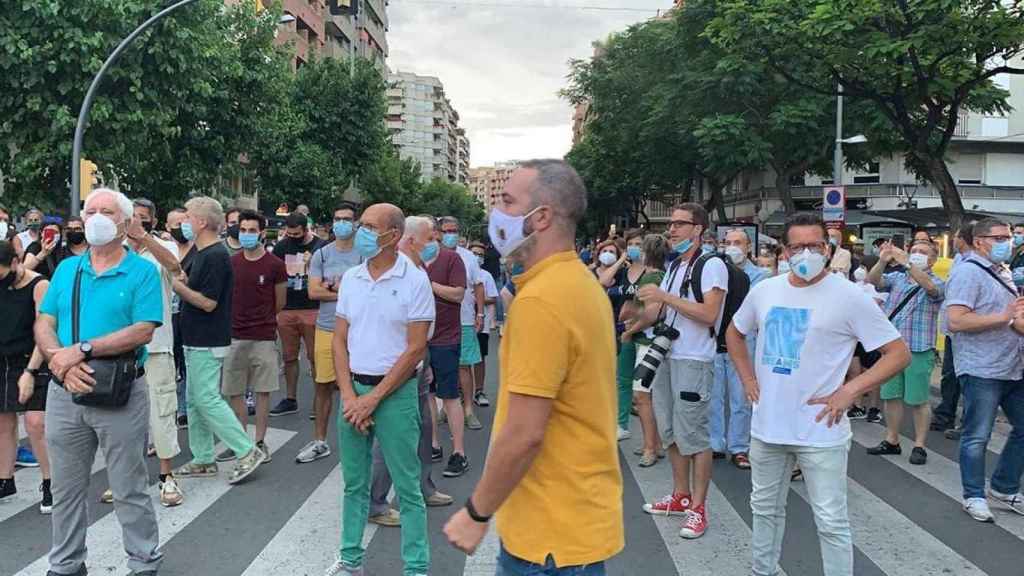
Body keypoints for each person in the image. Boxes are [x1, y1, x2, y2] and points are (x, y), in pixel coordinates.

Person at [443, 159, 624, 575]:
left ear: (540, 217)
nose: (496, 213)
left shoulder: (543, 300)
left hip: (548, 536)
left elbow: (525, 433)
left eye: (507, 202)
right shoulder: (578, 284)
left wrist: (476, 512)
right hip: (571, 524)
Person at [726, 212, 910, 576]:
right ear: (784, 250)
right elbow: (734, 332)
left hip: (820, 430)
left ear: (827, 249)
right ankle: (762, 570)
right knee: (763, 508)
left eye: (814, 245)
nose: (805, 253)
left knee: (830, 520)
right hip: (768, 425)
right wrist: (747, 378)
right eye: (797, 246)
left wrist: (850, 390)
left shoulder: (848, 295)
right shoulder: (765, 290)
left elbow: (898, 353)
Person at [36, 188, 165, 576]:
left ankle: (143, 562)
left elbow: (144, 330)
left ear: (125, 224)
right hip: (65, 390)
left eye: (105, 211)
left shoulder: (142, 270)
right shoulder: (66, 269)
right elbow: (45, 323)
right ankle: (66, 564)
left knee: (129, 486)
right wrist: (61, 360)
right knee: (66, 489)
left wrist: (83, 350)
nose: (94, 218)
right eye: (89, 211)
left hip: (120, 390)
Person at [326, 203, 434, 576]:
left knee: (407, 488)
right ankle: (350, 559)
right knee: (354, 485)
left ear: (392, 235)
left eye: (370, 226)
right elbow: (339, 339)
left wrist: (373, 399)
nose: (361, 231)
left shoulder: (414, 280)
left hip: (395, 395)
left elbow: (416, 348)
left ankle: (416, 568)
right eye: (361, 225)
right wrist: (350, 395)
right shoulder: (353, 278)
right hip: (354, 391)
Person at [631, 203, 727, 539]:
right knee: (670, 430)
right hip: (668, 357)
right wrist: (628, 323)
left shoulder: (711, 265)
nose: (671, 230)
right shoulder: (675, 266)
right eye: (670, 224)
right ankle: (679, 494)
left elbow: (709, 314)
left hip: (694, 360)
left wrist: (664, 298)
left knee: (695, 436)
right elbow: (660, 312)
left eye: (679, 224)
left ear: (698, 228)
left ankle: (698, 508)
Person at [172, 196, 266, 485]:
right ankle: (202, 458)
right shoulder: (202, 253)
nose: (182, 223)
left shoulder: (214, 255)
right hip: (194, 337)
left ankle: (246, 450)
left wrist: (176, 286)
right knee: (195, 399)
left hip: (207, 338)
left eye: (186, 217)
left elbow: (208, 303)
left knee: (207, 398)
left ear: (201, 222)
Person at [368, 215, 454, 528]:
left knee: (424, 428)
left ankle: (422, 486)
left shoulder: (417, 268)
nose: (436, 243)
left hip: (420, 357)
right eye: (431, 238)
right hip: (402, 359)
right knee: (393, 434)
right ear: (410, 239)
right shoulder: (397, 271)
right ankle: (375, 502)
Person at [944, 217, 1024, 523]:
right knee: (977, 435)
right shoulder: (967, 273)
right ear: (980, 242)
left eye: (1010, 237)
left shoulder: (1001, 270)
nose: (1009, 242)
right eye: (1001, 237)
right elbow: (957, 321)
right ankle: (974, 495)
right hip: (981, 367)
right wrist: (1004, 317)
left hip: (1012, 365)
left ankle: (1003, 487)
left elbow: (1010, 318)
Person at [111, 198, 185, 507]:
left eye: (141, 219)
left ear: (150, 222)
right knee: (122, 419)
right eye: (130, 218)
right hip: (119, 349)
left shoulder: (162, 249)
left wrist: (144, 239)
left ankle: (167, 477)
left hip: (156, 347)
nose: (134, 224)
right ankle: (126, 479)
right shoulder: (113, 254)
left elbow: (176, 267)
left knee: (162, 414)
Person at [865, 240, 945, 465]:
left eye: (923, 252)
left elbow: (931, 288)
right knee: (891, 396)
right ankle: (892, 439)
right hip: (891, 347)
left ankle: (919, 445)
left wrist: (908, 263)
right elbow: (873, 280)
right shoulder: (898, 278)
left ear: (933, 260)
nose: (917, 254)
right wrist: (882, 260)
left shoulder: (937, 281)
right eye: (914, 251)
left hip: (919, 348)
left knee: (918, 399)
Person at [221, 210, 287, 463]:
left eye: (251, 230)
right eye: (243, 229)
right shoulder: (232, 262)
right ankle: (241, 441)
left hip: (263, 336)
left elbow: (279, 302)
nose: (246, 234)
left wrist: (265, 319)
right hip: (234, 336)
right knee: (234, 392)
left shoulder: (275, 265)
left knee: (262, 391)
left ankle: (259, 441)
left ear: (261, 232)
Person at [298, 203, 361, 464]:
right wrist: (345, 289)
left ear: (355, 224)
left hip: (358, 331)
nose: (341, 223)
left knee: (359, 386)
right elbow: (313, 292)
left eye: (347, 219)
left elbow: (366, 294)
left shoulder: (364, 255)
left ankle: (360, 440)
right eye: (337, 219)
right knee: (322, 385)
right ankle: (320, 440)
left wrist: (332, 288)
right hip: (326, 328)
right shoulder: (322, 255)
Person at [0, 240, 52, 513]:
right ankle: (5, 479)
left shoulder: (39, 285)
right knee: (3, 423)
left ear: (16, 262)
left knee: (35, 423)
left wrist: (31, 371)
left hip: (33, 358)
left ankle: (50, 482)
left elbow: (44, 332)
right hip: (4, 359)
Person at [713, 228, 768, 469]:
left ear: (748, 247)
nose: (732, 246)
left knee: (741, 397)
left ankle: (738, 447)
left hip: (744, 341)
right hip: (714, 340)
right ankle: (714, 443)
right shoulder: (715, 271)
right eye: (728, 242)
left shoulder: (760, 276)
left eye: (738, 242)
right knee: (714, 396)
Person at [621, 234, 669, 467]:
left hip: (648, 343)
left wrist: (630, 330)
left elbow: (652, 313)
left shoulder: (650, 278)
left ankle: (650, 447)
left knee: (641, 396)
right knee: (646, 396)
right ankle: (655, 443)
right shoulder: (663, 275)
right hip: (654, 343)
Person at [269, 212, 324, 417]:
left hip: (312, 308)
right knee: (289, 357)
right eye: (289, 233)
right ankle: (290, 398)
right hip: (287, 309)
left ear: (305, 229)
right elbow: (274, 274)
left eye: (296, 233)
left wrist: (311, 264)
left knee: (315, 357)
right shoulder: (282, 247)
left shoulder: (320, 246)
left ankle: (320, 401)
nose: (292, 237)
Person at [429, 218, 470, 478]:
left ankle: (459, 452)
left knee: (449, 396)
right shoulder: (410, 261)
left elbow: (458, 293)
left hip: (446, 338)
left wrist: (429, 285)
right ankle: (433, 444)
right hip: (419, 340)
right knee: (428, 395)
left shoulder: (451, 260)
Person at [439, 216, 486, 432]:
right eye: (447, 230)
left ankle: (468, 409)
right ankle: (446, 407)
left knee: (464, 366)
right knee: (441, 367)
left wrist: (480, 314)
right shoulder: (433, 255)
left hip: (465, 320)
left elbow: (478, 287)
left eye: (454, 230)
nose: (451, 234)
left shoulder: (468, 258)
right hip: (439, 320)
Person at [931, 223, 976, 436]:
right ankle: (945, 413)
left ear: (964, 239)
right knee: (950, 374)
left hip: (970, 331)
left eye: (956, 236)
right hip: (953, 330)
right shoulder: (958, 260)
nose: (953, 240)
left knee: (969, 377)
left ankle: (968, 423)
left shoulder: (978, 264)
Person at [603, 230, 647, 441]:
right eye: (631, 244)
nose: (634, 247)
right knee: (623, 379)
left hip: (645, 333)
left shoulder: (650, 271)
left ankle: (652, 438)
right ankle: (621, 424)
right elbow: (603, 279)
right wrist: (621, 259)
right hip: (624, 333)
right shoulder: (622, 272)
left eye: (639, 244)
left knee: (644, 388)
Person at [166, 208, 195, 429]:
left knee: (187, 364)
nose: (181, 228)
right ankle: (172, 406)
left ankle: (185, 408)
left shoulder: (199, 250)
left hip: (190, 314)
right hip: (167, 316)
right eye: (176, 224)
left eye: (184, 223)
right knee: (169, 362)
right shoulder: (165, 250)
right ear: (167, 227)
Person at [469, 241, 498, 408]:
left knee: (480, 358)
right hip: (463, 323)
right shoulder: (461, 270)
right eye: (474, 253)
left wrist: (477, 298)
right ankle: (461, 391)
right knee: (462, 360)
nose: (477, 257)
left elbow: (493, 297)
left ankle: (479, 391)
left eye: (480, 255)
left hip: (482, 324)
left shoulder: (485, 276)